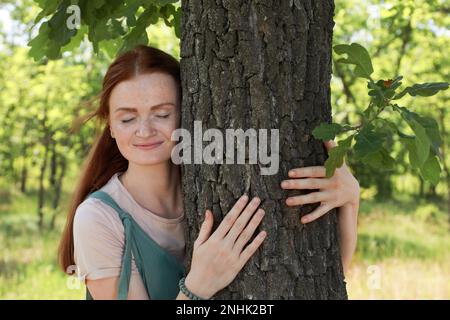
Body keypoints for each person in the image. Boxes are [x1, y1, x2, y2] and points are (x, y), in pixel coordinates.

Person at [58, 45, 360, 300]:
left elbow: (320, 283)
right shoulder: (99, 218)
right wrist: (196, 288)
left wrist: (350, 202)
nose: (145, 130)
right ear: (110, 125)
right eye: (127, 119)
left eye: (162, 114)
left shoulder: (216, 179)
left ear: (188, 112)